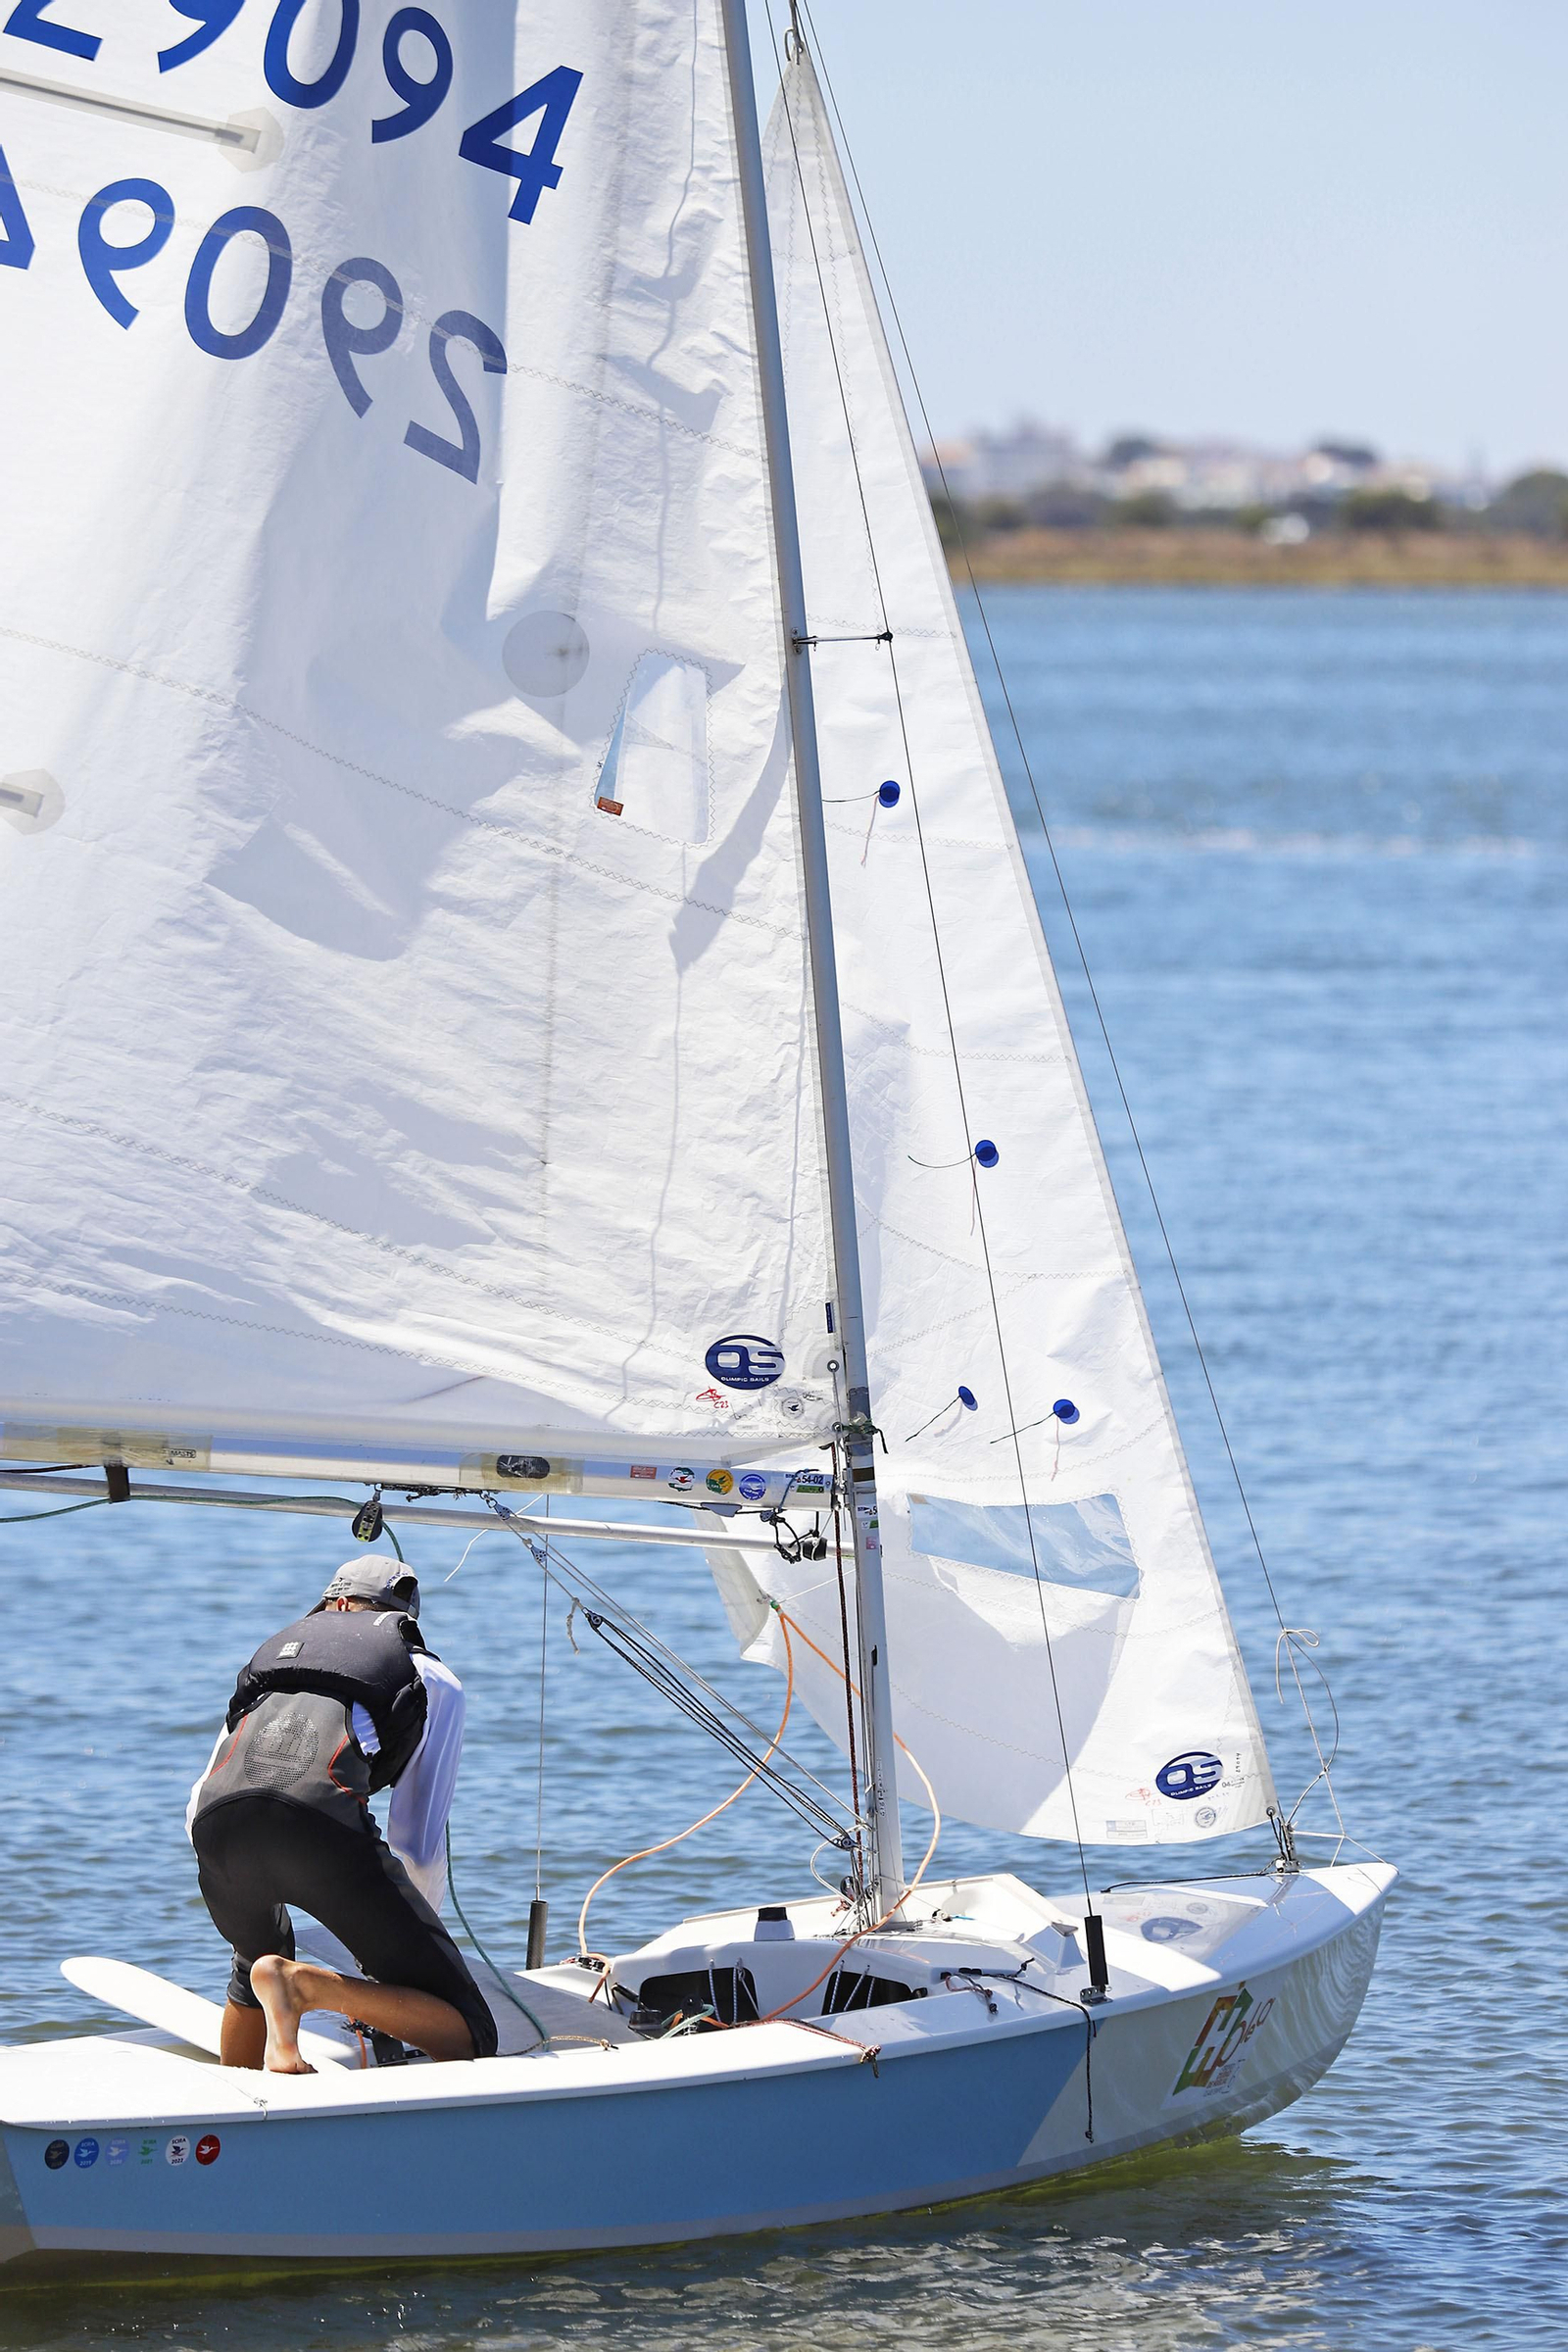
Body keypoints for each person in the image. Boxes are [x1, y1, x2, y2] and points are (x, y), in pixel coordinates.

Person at [187, 1557, 497, 2073]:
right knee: (470, 2034)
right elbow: (416, 1842)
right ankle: (305, 1986)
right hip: (317, 1829)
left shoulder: (270, 1666)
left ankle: (238, 2098)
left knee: (255, 1962)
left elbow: (202, 1795)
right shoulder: (429, 1677)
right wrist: (402, 1960)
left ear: (335, 1604)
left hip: (215, 1828)